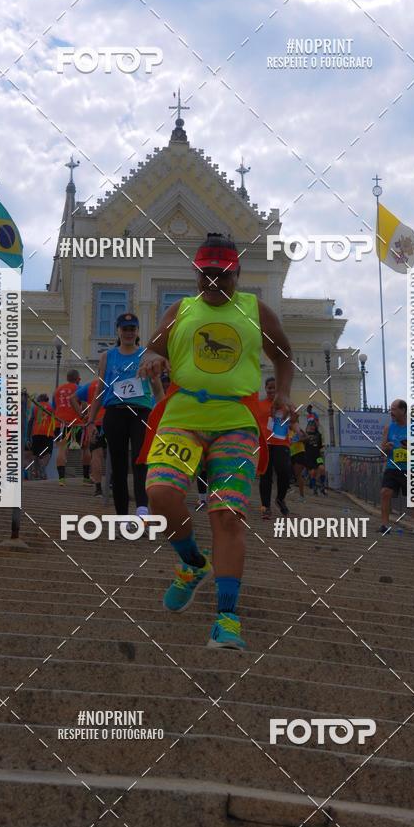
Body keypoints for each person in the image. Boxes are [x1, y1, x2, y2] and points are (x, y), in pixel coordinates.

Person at [137, 233, 294, 651]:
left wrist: (283, 393)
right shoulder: (180, 310)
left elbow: (283, 355)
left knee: (227, 515)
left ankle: (227, 618)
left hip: (236, 422)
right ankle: (191, 563)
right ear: (195, 273)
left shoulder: (255, 310)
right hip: (183, 416)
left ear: (238, 274)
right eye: (206, 275)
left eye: (223, 276)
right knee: (161, 494)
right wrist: (154, 360)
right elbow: (152, 350)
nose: (214, 282)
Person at [88, 312, 163, 524]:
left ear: (137, 332)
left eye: (132, 329)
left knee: (140, 460)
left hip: (141, 412)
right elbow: (100, 390)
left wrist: (163, 416)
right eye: (125, 329)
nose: (128, 333)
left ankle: (142, 510)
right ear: (118, 331)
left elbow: (157, 389)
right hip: (115, 413)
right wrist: (91, 420)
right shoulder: (107, 356)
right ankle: (121, 515)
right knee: (118, 466)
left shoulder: (146, 355)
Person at [379, 398, 414, 540]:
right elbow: (382, 450)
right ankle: (384, 525)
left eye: (394, 409)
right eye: (391, 409)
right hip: (392, 467)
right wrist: (386, 448)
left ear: (403, 410)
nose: (391, 412)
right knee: (385, 492)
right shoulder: (388, 428)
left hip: (411, 468)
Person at [258, 376, 296, 518]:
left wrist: (295, 419)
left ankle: (280, 498)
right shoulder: (260, 405)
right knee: (265, 476)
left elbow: (293, 422)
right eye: (269, 388)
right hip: (265, 444)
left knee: (284, 472)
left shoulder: (286, 405)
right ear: (266, 389)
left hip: (282, 444)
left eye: (275, 388)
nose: (272, 390)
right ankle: (266, 507)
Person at [53, 369, 89, 486]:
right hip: (77, 423)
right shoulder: (80, 388)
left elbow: (54, 407)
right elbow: (84, 405)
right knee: (85, 448)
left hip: (61, 422)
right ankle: (86, 478)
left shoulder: (57, 390)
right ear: (78, 379)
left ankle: (61, 479)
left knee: (62, 449)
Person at [72, 379, 106, 496]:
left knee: (96, 455)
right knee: (115, 454)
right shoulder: (114, 381)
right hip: (112, 420)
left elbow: (72, 398)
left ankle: (98, 488)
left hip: (94, 423)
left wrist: (82, 416)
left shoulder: (91, 385)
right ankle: (113, 484)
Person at [28, 393, 54, 480]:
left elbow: (31, 421)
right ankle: (43, 465)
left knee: (35, 453)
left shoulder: (34, 407)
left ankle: (35, 472)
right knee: (48, 453)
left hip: (36, 432)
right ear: (47, 400)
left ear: (38, 400)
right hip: (48, 433)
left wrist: (28, 436)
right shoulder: (51, 407)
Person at [304, 419, 326, 495]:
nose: (312, 427)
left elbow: (320, 445)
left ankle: (322, 485)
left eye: (313, 425)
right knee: (313, 472)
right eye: (311, 426)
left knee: (322, 469)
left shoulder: (318, 435)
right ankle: (314, 487)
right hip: (308, 457)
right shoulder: (305, 435)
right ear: (308, 426)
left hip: (317, 456)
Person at [289, 424, 307, 500]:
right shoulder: (286, 431)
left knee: (298, 474)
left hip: (299, 452)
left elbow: (306, 438)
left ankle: (302, 496)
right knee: (293, 474)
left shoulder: (298, 429)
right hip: (291, 454)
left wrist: (300, 439)